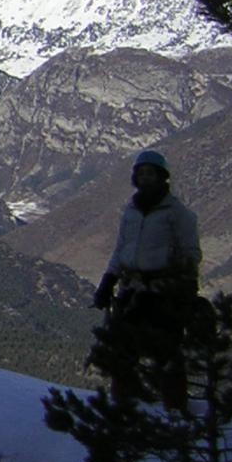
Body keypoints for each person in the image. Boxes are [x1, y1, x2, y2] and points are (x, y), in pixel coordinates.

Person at [89, 149, 202, 410]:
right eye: (141, 174)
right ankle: (124, 407)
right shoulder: (131, 212)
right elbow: (121, 250)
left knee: (167, 353)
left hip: (164, 294)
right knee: (122, 352)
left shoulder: (177, 214)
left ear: (162, 177)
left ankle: (175, 408)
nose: (145, 178)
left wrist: (181, 285)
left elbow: (191, 253)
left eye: (150, 173)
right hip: (131, 291)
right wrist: (108, 280)